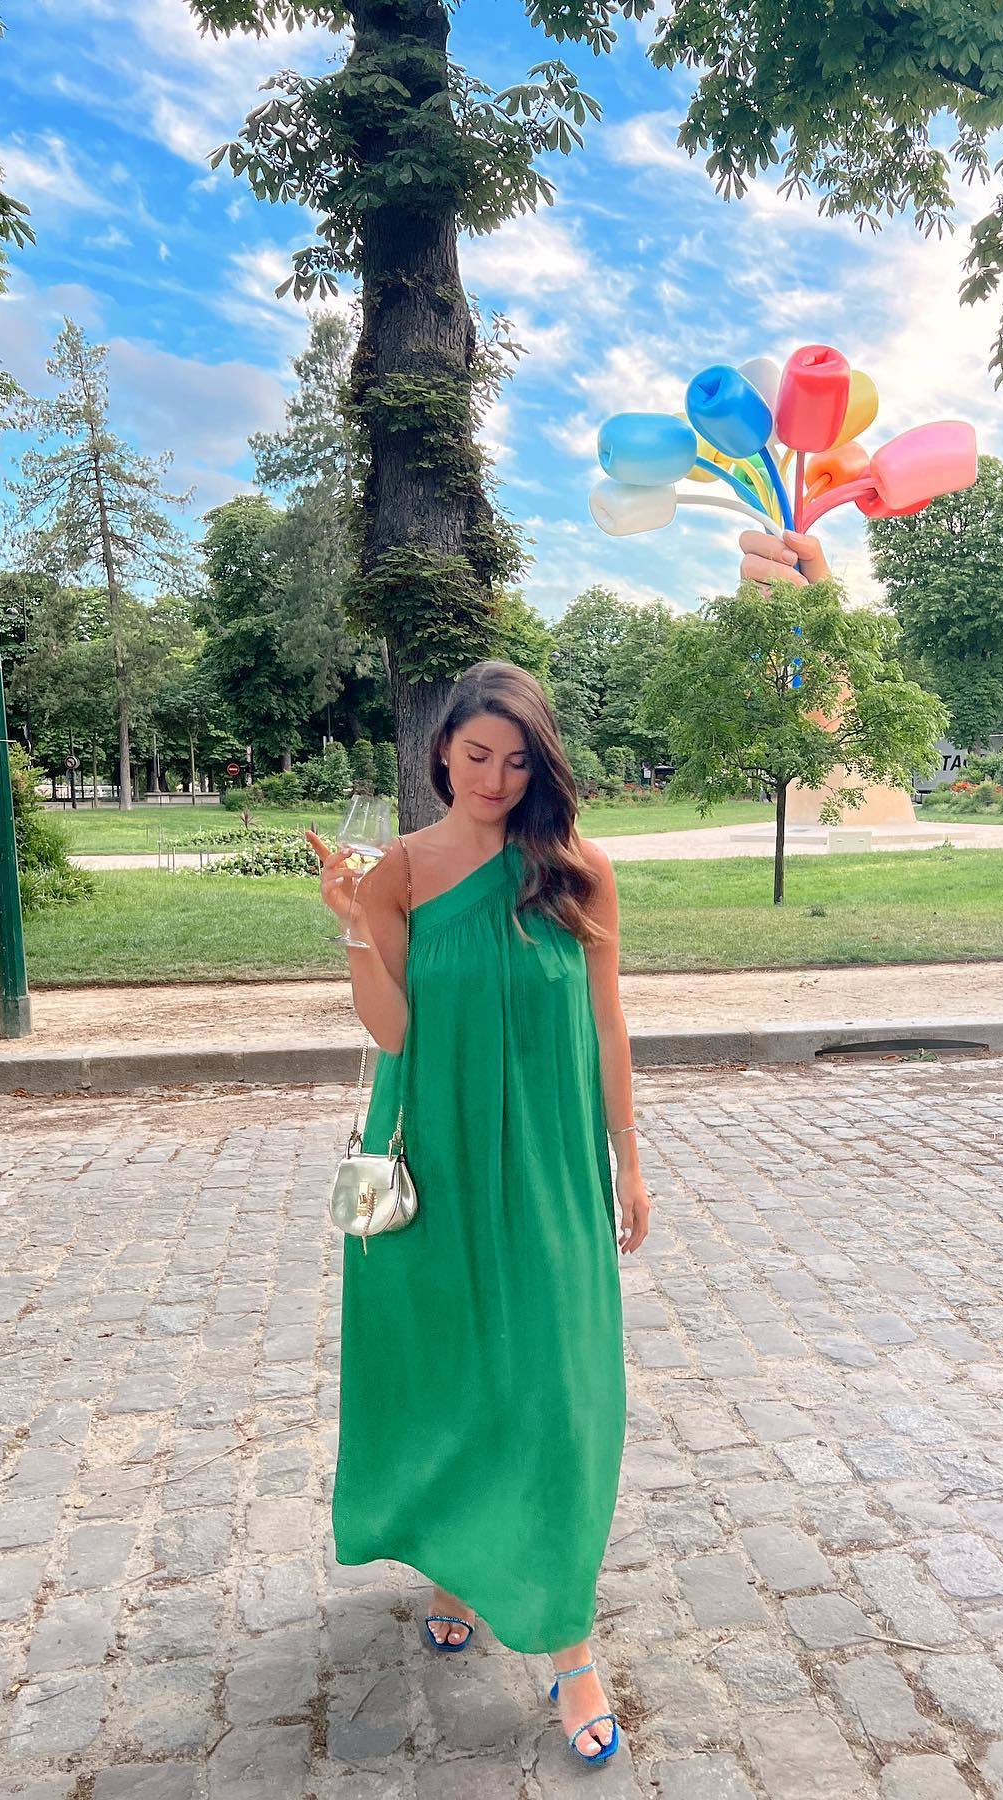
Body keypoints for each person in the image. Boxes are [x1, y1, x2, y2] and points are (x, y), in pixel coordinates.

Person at [307, 660, 651, 1767]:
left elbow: (607, 1024)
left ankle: (569, 1645)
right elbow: (393, 1032)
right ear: (440, 753)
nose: (495, 779)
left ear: (540, 766)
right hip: (438, 1156)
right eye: (475, 756)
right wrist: (355, 924)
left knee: (557, 1390)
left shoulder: (577, 870)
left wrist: (628, 1160)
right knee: (452, 1372)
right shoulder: (402, 869)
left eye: (516, 760)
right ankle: (457, 1562)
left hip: (549, 1162)